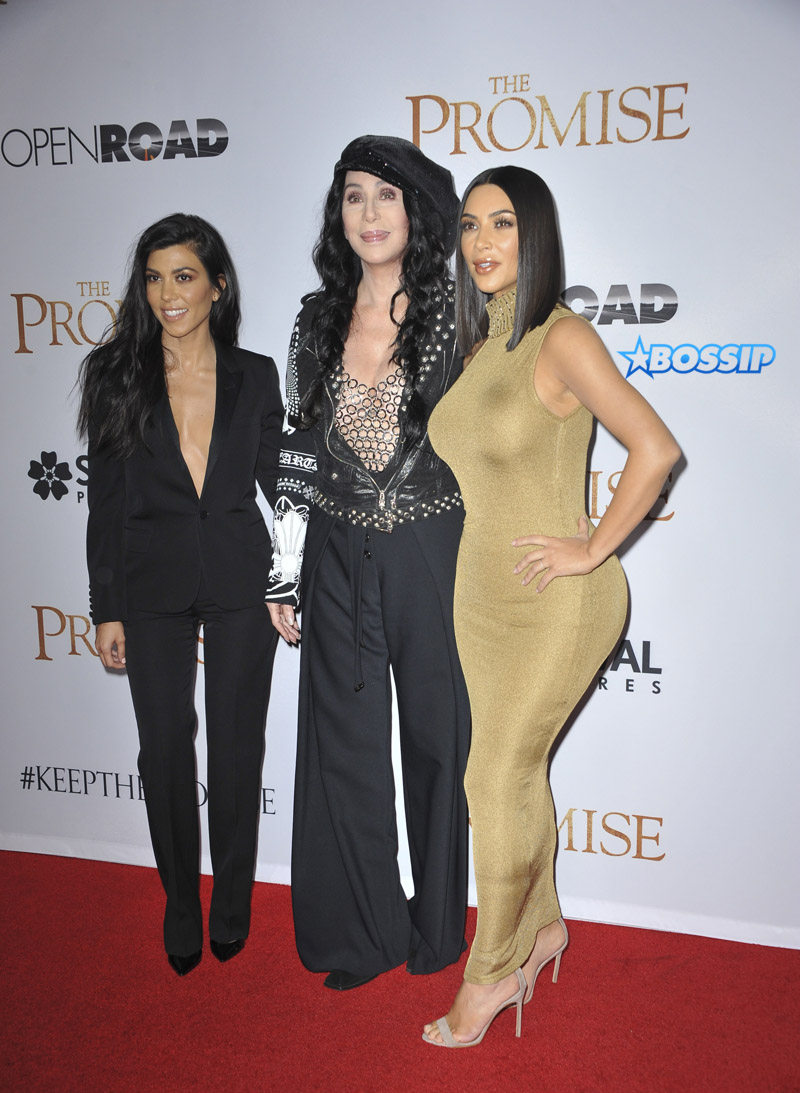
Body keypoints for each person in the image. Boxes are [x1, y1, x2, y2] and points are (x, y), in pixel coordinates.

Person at [423, 166, 681, 1047]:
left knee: (491, 778)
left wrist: (594, 547)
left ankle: (492, 971)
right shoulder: (476, 350)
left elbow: (655, 448)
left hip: (559, 602)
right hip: (482, 600)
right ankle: (541, 929)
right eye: (470, 225)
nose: (482, 242)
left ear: (535, 235)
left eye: (502, 223)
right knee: (516, 774)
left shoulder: (563, 337)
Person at [266, 135, 470, 990]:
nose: (370, 214)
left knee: (437, 743)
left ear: (416, 212)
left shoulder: (458, 313)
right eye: (354, 196)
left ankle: (439, 933)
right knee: (343, 750)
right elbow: (297, 454)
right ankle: (362, 932)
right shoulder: (315, 320)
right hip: (336, 554)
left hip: (435, 551)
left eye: (387, 196)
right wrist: (283, 572)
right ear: (338, 214)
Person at [79, 213, 283, 976]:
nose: (169, 293)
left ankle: (230, 902)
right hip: (150, 583)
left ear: (217, 286)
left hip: (240, 578)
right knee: (164, 748)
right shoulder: (115, 374)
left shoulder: (254, 375)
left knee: (236, 748)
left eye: (185, 276)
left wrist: (292, 577)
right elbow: (105, 501)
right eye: (155, 278)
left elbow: (281, 490)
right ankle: (179, 903)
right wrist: (106, 605)